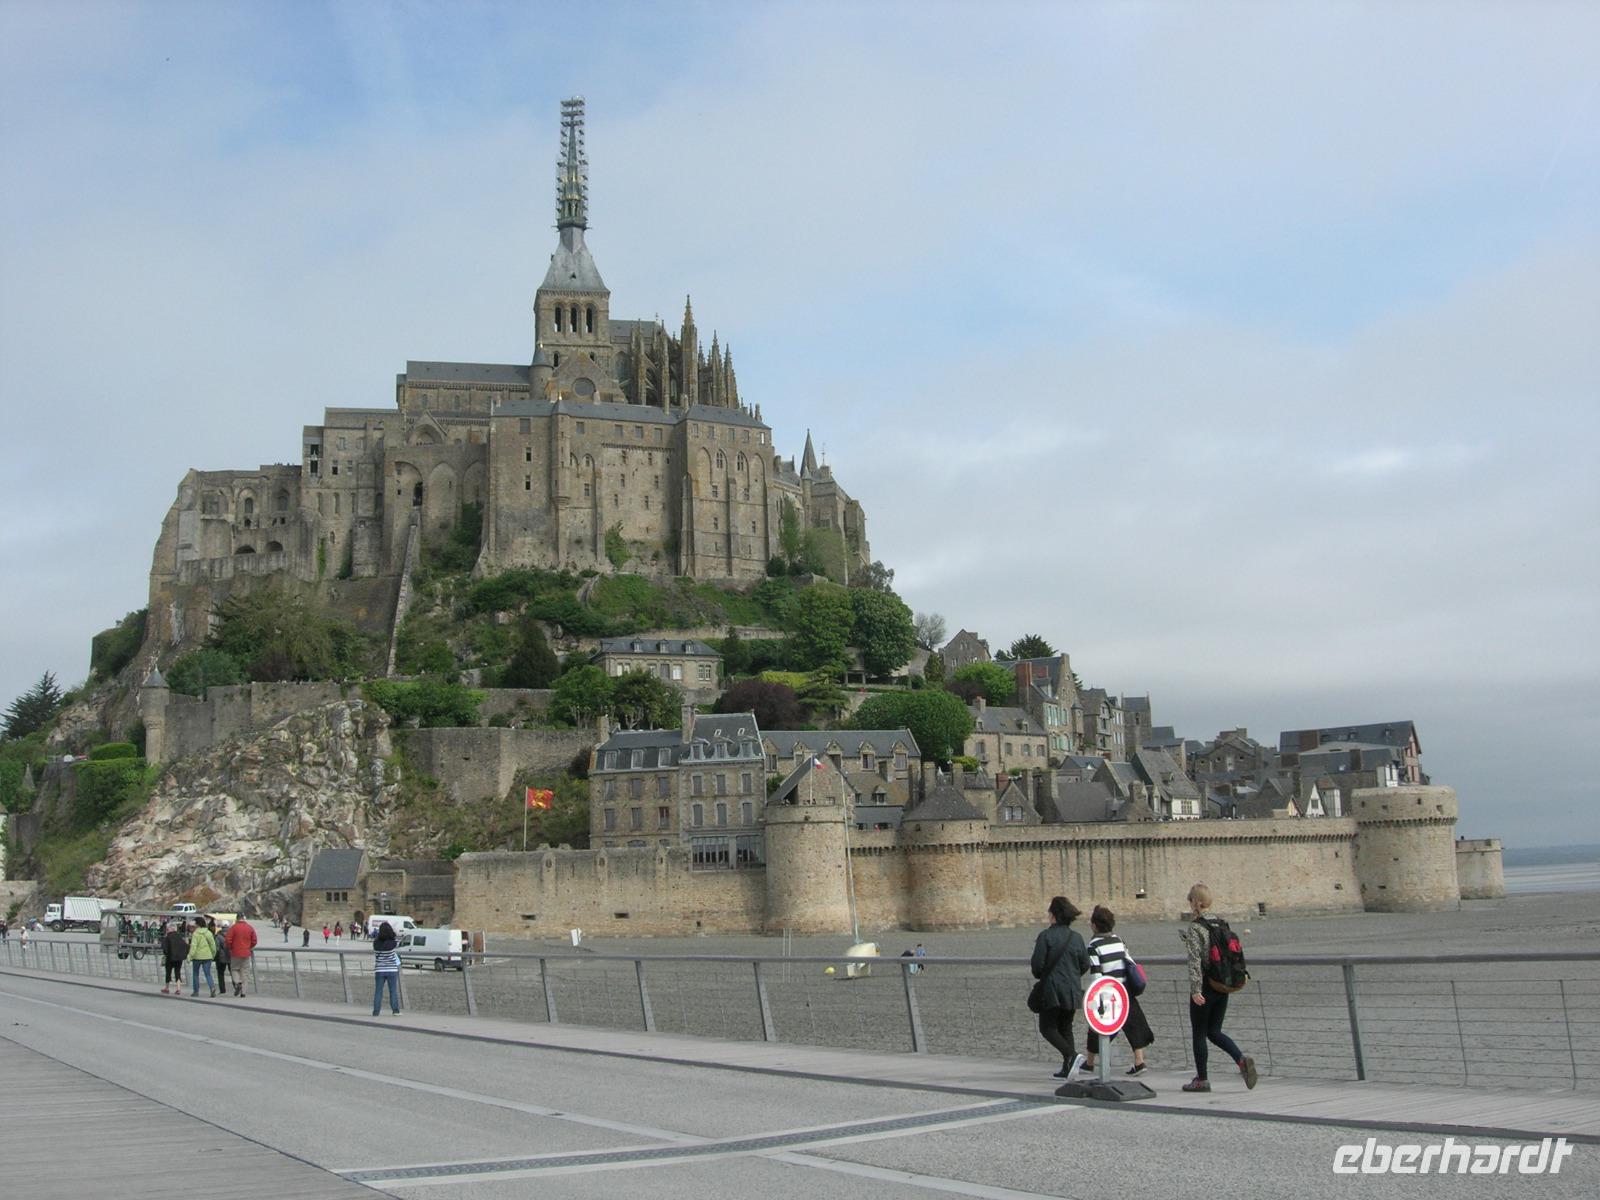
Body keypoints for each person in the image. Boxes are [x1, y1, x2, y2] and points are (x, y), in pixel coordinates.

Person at [1181, 883, 1258, 1092]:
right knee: (1214, 1031)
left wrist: (1196, 990)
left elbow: (1195, 961)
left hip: (1206, 985)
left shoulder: (1196, 927)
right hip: (1223, 985)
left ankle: (1202, 1080)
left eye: (1190, 901)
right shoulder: (1223, 924)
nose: (1189, 904)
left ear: (1196, 902)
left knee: (1199, 1033)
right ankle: (1240, 1059)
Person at [1080, 905, 1153, 1077]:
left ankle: (1090, 1063)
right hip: (1125, 989)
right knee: (1133, 1024)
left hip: (1108, 991)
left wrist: (1094, 998)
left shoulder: (1093, 945)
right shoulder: (1118, 940)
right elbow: (1128, 961)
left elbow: (1096, 975)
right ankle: (1139, 1061)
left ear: (1095, 925)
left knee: (1098, 1028)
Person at [1031, 895, 1091, 1081]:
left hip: (1052, 990)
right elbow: (1085, 964)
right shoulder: (1077, 937)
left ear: (1053, 915)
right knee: (1066, 1027)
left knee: (1047, 1028)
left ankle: (1072, 1056)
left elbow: (1037, 967)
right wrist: (1072, 976)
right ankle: (1068, 1067)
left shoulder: (1046, 936)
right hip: (1072, 989)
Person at [371, 921, 401, 1016]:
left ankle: (376, 1011)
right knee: (393, 991)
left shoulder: (376, 944)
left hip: (379, 970)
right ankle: (395, 1010)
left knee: (378, 991)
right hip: (391, 969)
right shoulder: (394, 943)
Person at [224, 916, 257, 997]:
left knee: (234, 969)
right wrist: (249, 947)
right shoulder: (250, 928)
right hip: (246, 952)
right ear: (244, 919)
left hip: (235, 952)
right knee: (245, 972)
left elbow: (228, 940)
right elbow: (254, 940)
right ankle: (243, 992)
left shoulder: (233, 928)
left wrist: (230, 947)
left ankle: (237, 982)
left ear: (237, 919)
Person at [188, 918, 219, 997]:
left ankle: (196, 991)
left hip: (197, 957)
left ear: (197, 924)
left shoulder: (195, 933)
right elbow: (213, 945)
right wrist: (213, 954)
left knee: (195, 974)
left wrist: (189, 956)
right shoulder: (208, 933)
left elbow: (193, 947)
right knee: (208, 974)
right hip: (207, 956)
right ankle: (212, 987)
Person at [161, 921, 189, 995]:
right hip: (179, 958)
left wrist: (166, 954)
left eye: (167, 929)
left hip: (170, 958)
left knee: (168, 972)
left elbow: (164, 948)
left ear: (169, 929)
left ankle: (167, 988)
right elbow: (186, 946)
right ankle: (178, 988)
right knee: (177, 972)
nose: (166, 930)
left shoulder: (167, 937)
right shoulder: (179, 937)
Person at [212, 919, 232, 996]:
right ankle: (236, 985)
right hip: (231, 956)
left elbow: (216, 947)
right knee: (233, 972)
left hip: (221, 957)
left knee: (220, 974)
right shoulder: (232, 934)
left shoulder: (218, 935)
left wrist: (214, 956)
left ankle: (222, 989)